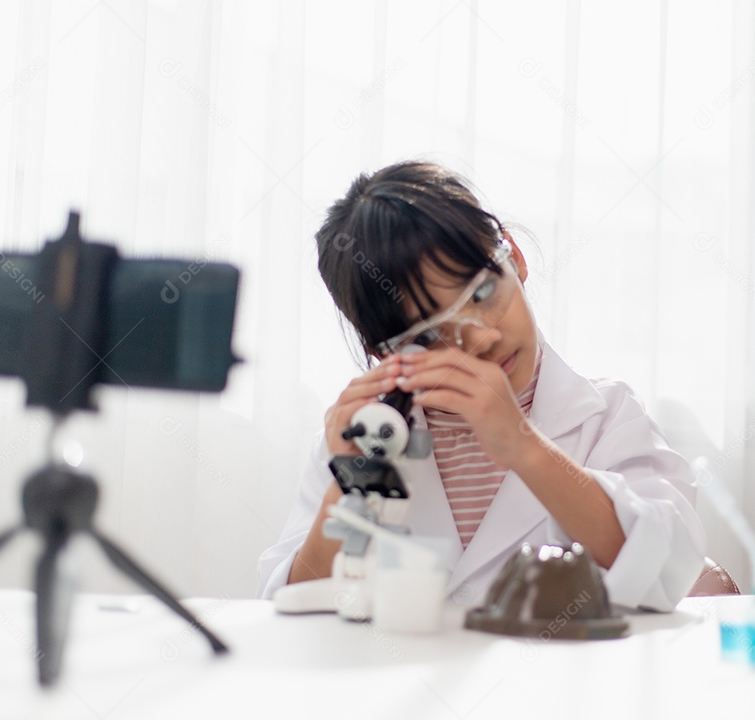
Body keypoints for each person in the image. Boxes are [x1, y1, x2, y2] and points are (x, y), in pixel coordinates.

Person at [257, 161, 705, 611]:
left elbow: (669, 570)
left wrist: (522, 445)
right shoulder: (362, 439)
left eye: (483, 293)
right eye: (431, 335)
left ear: (514, 256)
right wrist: (351, 485)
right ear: (385, 354)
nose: (485, 338)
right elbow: (288, 606)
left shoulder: (607, 416)